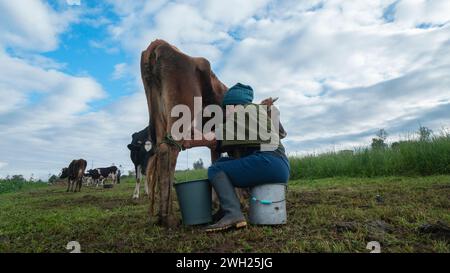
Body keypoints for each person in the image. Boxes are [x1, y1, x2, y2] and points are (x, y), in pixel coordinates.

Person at [182, 83, 290, 232]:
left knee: (216, 169)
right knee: (222, 162)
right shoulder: (254, 112)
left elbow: (214, 138)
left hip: (269, 162)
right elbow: (217, 142)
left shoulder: (245, 112)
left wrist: (189, 142)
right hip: (275, 164)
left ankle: (233, 214)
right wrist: (197, 134)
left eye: (226, 107)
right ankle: (225, 210)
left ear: (235, 104)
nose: (225, 112)